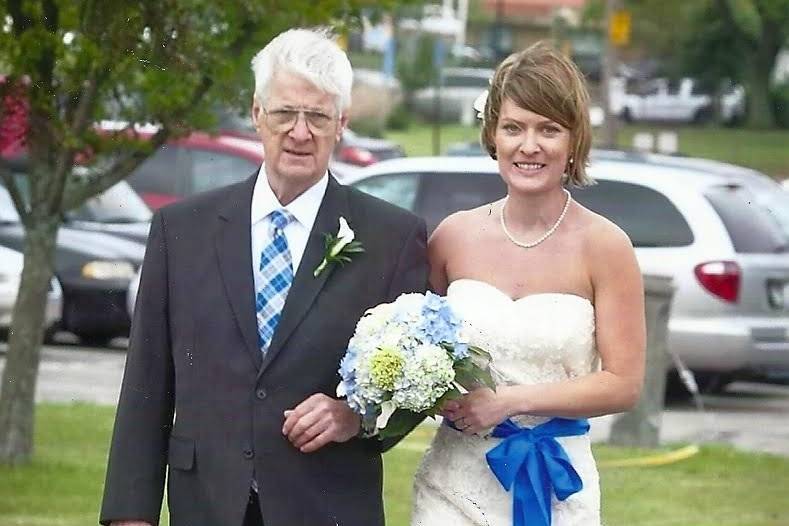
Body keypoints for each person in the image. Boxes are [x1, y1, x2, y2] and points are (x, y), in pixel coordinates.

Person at [100, 28, 428, 526]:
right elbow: (146, 383)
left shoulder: (392, 237)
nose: (300, 132)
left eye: (317, 116)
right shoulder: (180, 230)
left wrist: (353, 417)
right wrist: (130, 514)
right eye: (285, 114)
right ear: (258, 114)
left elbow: (416, 387)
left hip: (326, 505)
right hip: (205, 503)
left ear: (341, 123)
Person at [411, 42, 646, 526]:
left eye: (548, 130)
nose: (529, 146)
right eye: (513, 128)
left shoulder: (606, 247)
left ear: (574, 141)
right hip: (452, 486)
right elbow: (412, 346)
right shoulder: (452, 237)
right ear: (492, 135)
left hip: (559, 481)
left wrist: (509, 402)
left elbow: (623, 384)